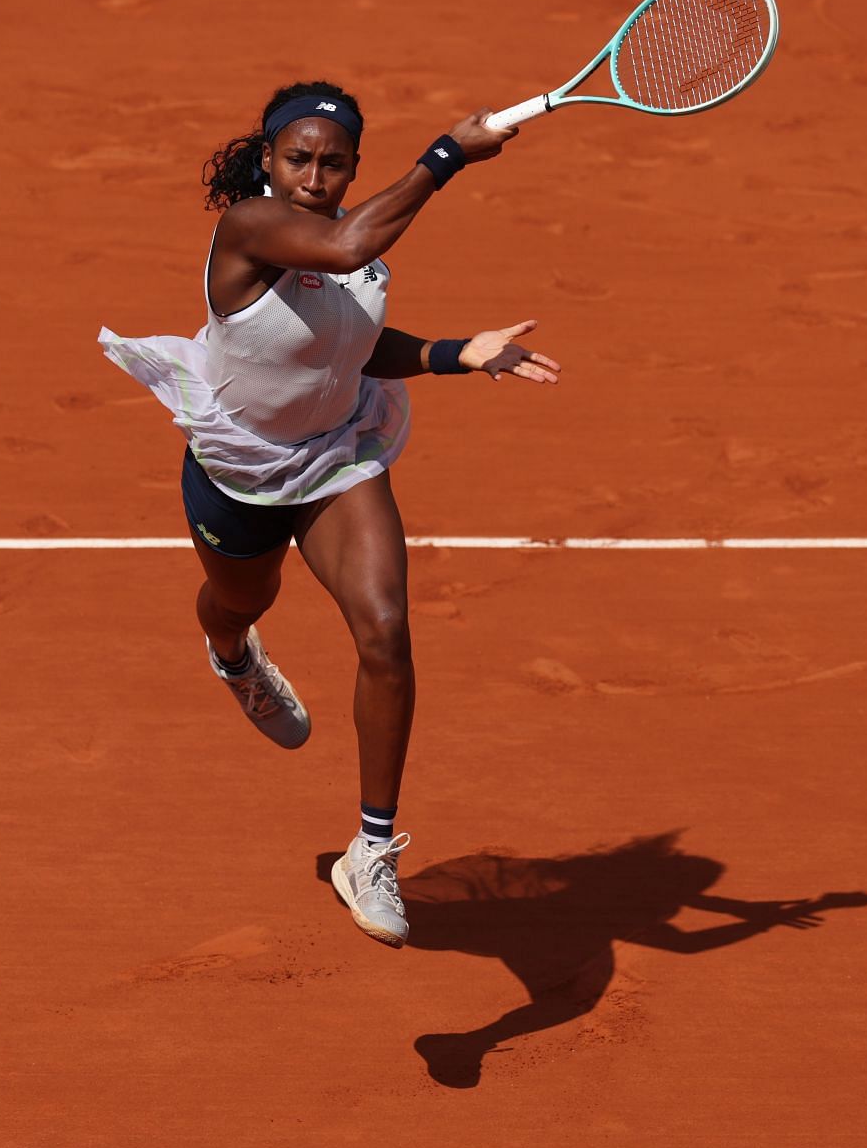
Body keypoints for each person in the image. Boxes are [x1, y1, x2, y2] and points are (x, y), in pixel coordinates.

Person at [98, 80, 560, 948]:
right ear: (268, 160)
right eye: (298, 158)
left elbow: (351, 342)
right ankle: (232, 655)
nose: (315, 175)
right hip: (238, 468)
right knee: (240, 601)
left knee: (386, 631)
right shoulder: (249, 228)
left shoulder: (363, 249)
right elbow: (346, 247)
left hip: (337, 457)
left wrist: (460, 353)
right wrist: (448, 154)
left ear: (353, 166)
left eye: (334, 161)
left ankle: (372, 848)